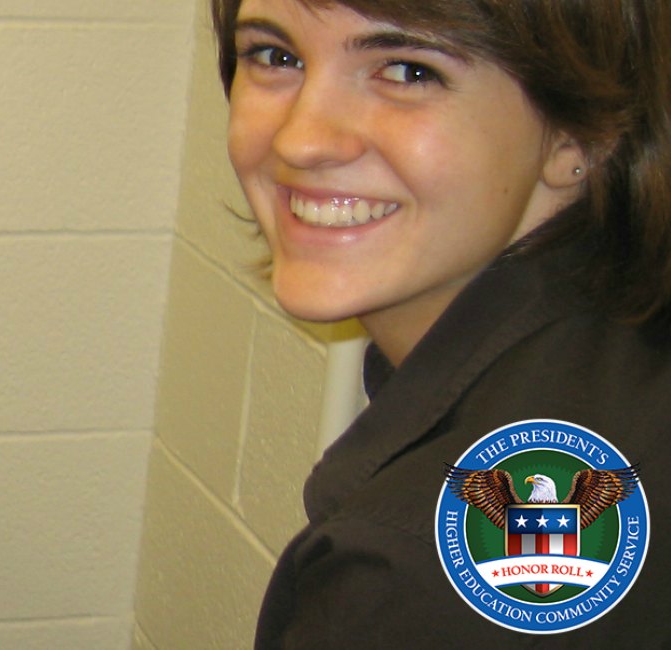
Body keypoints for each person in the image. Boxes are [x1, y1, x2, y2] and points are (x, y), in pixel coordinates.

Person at [214, 0, 670, 645]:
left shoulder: (409, 572)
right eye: (275, 56)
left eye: (407, 71)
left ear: (578, 134)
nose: (300, 139)